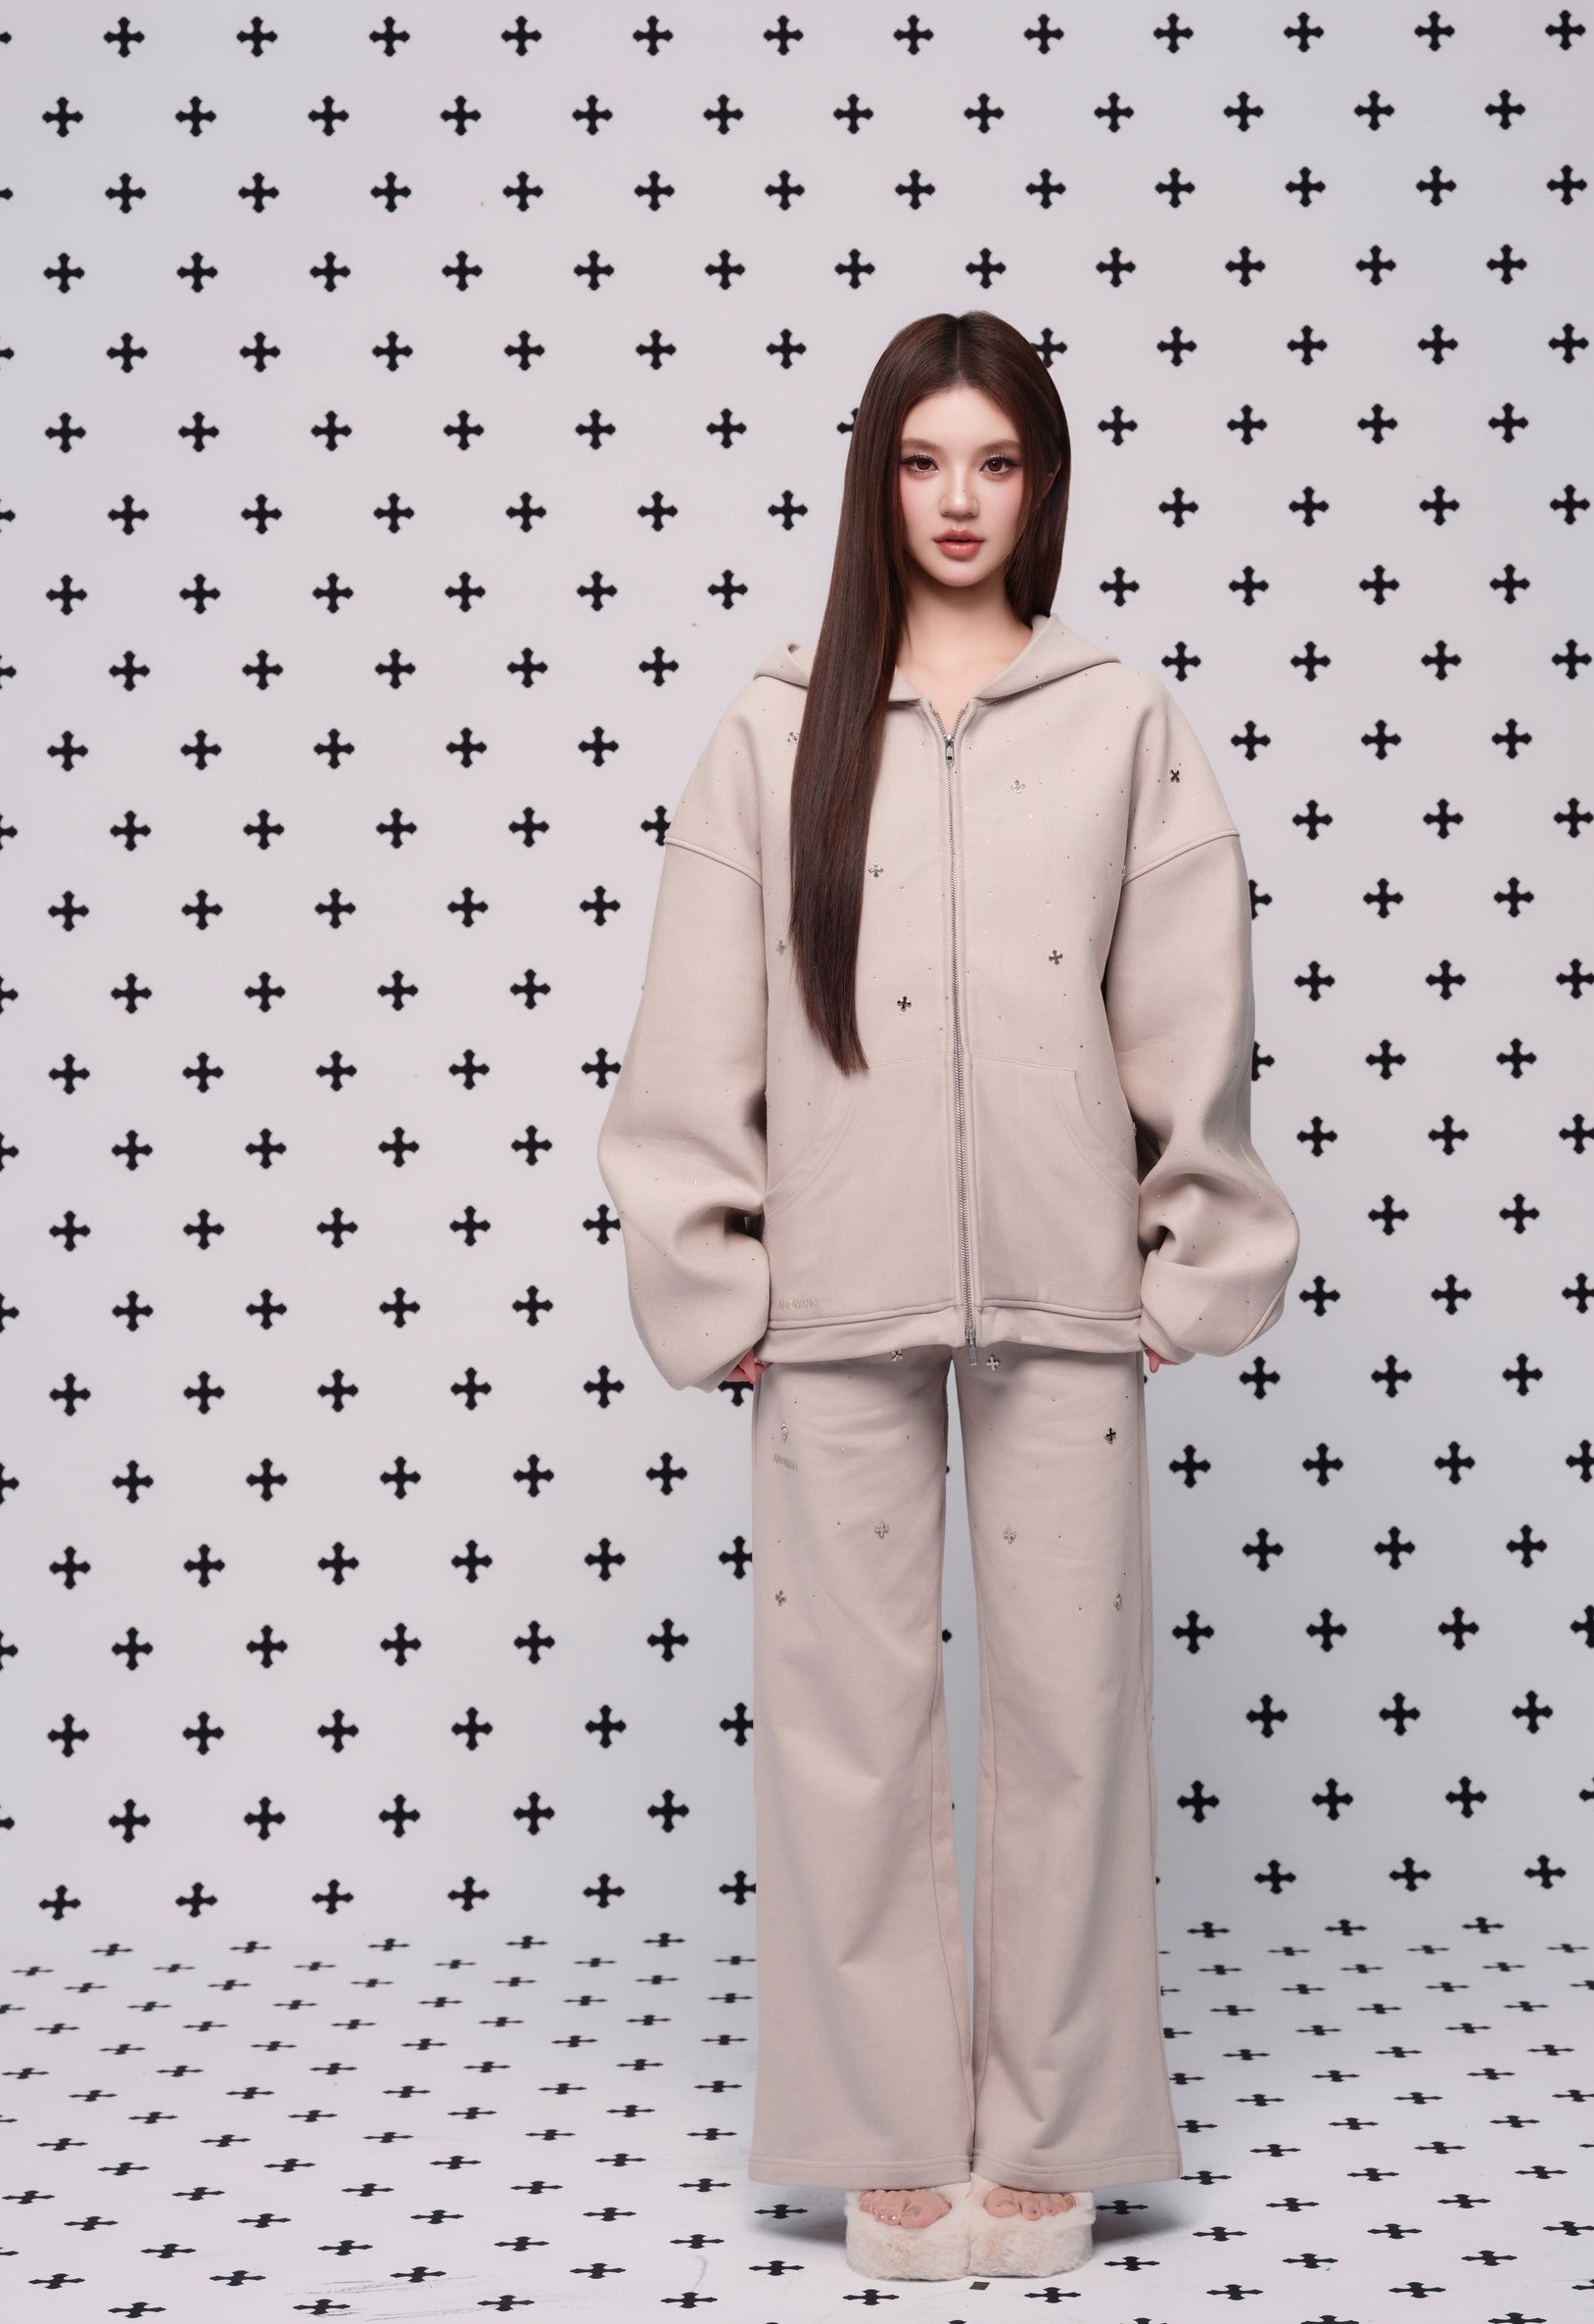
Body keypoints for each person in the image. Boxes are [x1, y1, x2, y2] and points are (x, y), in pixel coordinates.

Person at [596, 309, 1299, 2281]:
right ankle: (880, 2127)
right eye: (923, 462)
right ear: (877, 481)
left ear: (1041, 483)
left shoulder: (1119, 719)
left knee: (1073, 1712)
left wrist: (1185, 1252)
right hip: (831, 1295)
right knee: (845, 1717)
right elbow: (693, 1023)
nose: (958, 499)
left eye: (994, 462)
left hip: (1069, 1296)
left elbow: (1189, 1006)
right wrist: (714, 1265)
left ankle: (1057, 2126)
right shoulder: (775, 724)